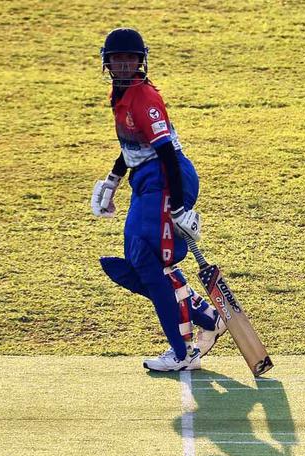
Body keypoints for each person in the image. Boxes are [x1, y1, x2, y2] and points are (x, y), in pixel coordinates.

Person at [91, 28, 225, 372]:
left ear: (140, 61)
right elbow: (132, 148)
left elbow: (166, 152)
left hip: (168, 178)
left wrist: (180, 206)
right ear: (107, 63)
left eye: (129, 59)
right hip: (147, 181)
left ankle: (182, 351)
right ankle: (204, 316)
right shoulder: (117, 95)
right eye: (117, 59)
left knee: (141, 253)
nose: (123, 65)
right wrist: (113, 180)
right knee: (142, 260)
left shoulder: (144, 98)